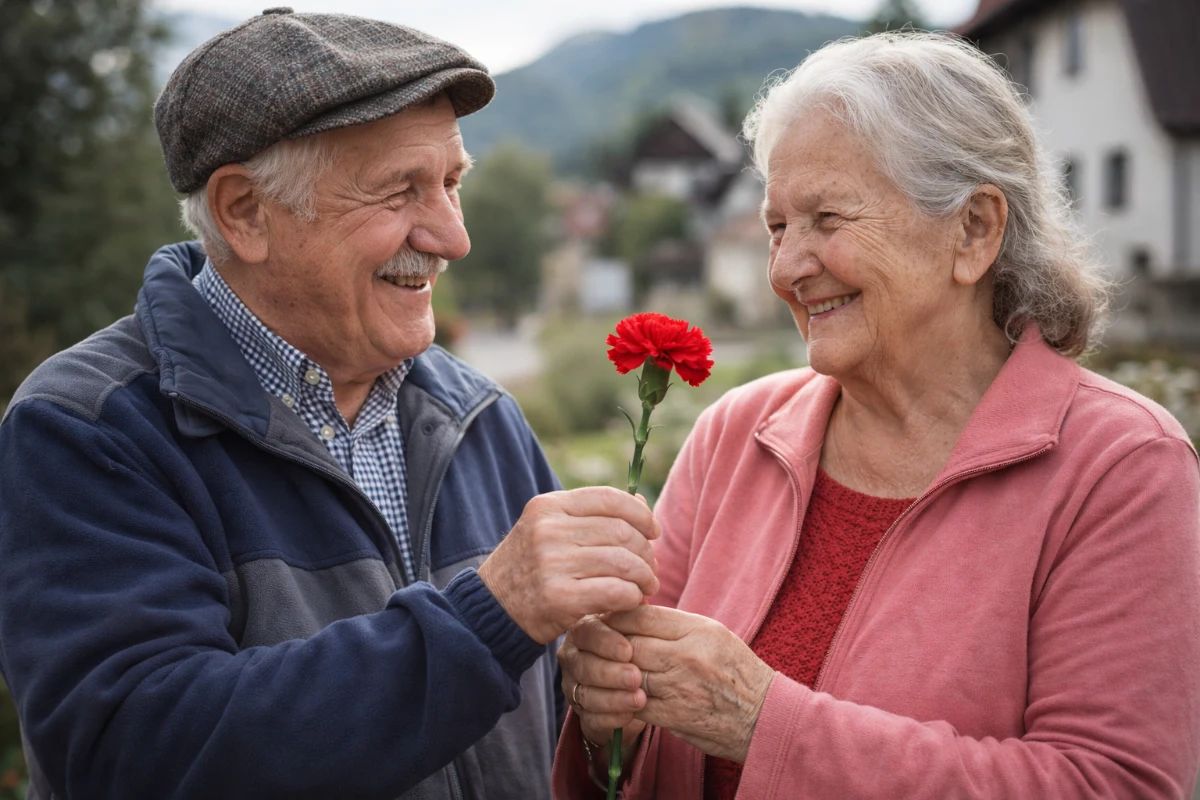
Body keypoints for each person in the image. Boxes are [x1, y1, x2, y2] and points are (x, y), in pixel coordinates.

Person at [0, 9, 662, 800]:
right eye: (400, 192)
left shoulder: (482, 416)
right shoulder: (90, 429)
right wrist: (493, 615)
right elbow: (133, 755)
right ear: (245, 212)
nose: (453, 238)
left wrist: (600, 721)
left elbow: (535, 733)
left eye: (451, 183)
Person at [554, 31, 1200, 799]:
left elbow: (1111, 784)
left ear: (974, 230)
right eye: (777, 227)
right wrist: (608, 716)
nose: (787, 268)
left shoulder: (1121, 466)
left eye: (828, 218)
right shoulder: (736, 432)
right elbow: (632, 755)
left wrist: (761, 723)